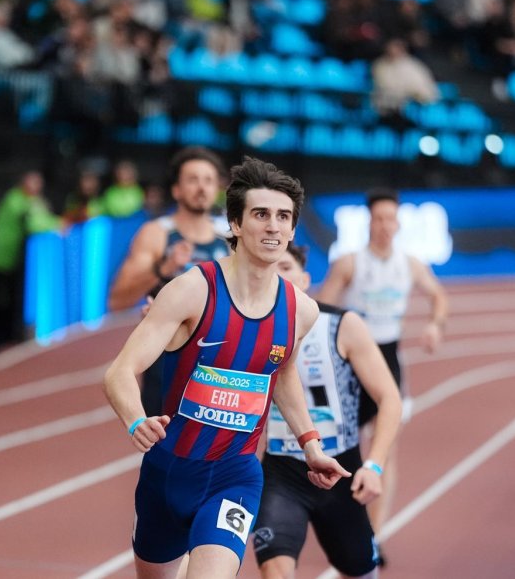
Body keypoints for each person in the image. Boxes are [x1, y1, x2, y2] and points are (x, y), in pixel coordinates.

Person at [103, 157, 351, 579]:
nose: (273, 226)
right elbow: (119, 372)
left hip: (234, 476)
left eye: (283, 217)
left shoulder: (300, 311)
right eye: (260, 214)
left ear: (293, 229)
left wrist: (310, 444)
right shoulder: (191, 291)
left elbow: (281, 372)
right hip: (167, 474)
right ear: (235, 223)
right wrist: (135, 420)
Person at [254, 243, 402, 579]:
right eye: (271, 270)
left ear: (304, 280)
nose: (278, 277)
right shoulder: (251, 330)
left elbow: (389, 398)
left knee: (360, 570)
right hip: (282, 472)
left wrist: (374, 465)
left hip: (341, 470)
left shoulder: (341, 325)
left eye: (286, 268)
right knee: (275, 569)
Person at [316, 188, 447, 543]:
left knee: (385, 448)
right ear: (369, 222)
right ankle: (341, 518)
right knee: (343, 444)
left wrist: (435, 325)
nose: (385, 226)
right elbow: (320, 309)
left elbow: (438, 295)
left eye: (391, 219)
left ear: (399, 223)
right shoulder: (350, 263)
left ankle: (375, 534)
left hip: (388, 357)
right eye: (379, 219)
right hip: (351, 361)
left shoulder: (410, 264)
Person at [108, 146, 231, 416]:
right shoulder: (157, 234)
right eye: (193, 179)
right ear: (176, 190)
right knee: (162, 438)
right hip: (166, 360)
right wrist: (164, 268)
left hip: (217, 359)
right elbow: (117, 300)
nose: (202, 188)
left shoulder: (230, 239)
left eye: (208, 180)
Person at [0, 170, 62, 344]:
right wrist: (59, 224)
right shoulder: (18, 201)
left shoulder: (23, 200)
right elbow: (35, 224)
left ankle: (3, 337)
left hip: (7, 258)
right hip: (2, 258)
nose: (36, 187)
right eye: (33, 183)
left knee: (7, 300)